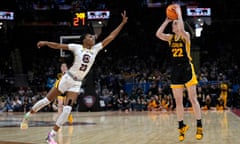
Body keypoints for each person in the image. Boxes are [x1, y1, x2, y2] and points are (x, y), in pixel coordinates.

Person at [20, 10, 128, 144]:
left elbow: (111, 37)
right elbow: (59, 45)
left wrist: (122, 23)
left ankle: (51, 135)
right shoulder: (76, 47)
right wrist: (46, 42)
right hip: (67, 78)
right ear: (84, 40)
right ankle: (27, 116)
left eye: (92, 37)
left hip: (77, 84)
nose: (92, 38)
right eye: (90, 37)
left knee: (67, 110)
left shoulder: (96, 49)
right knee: (46, 101)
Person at [155, 4, 203, 141]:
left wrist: (179, 15)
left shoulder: (185, 36)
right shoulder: (171, 38)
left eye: (175, 24)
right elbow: (158, 34)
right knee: (178, 101)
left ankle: (199, 125)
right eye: (174, 24)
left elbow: (181, 28)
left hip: (187, 68)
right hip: (175, 70)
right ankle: (181, 127)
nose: (174, 26)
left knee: (192, 98)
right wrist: (167, 20)